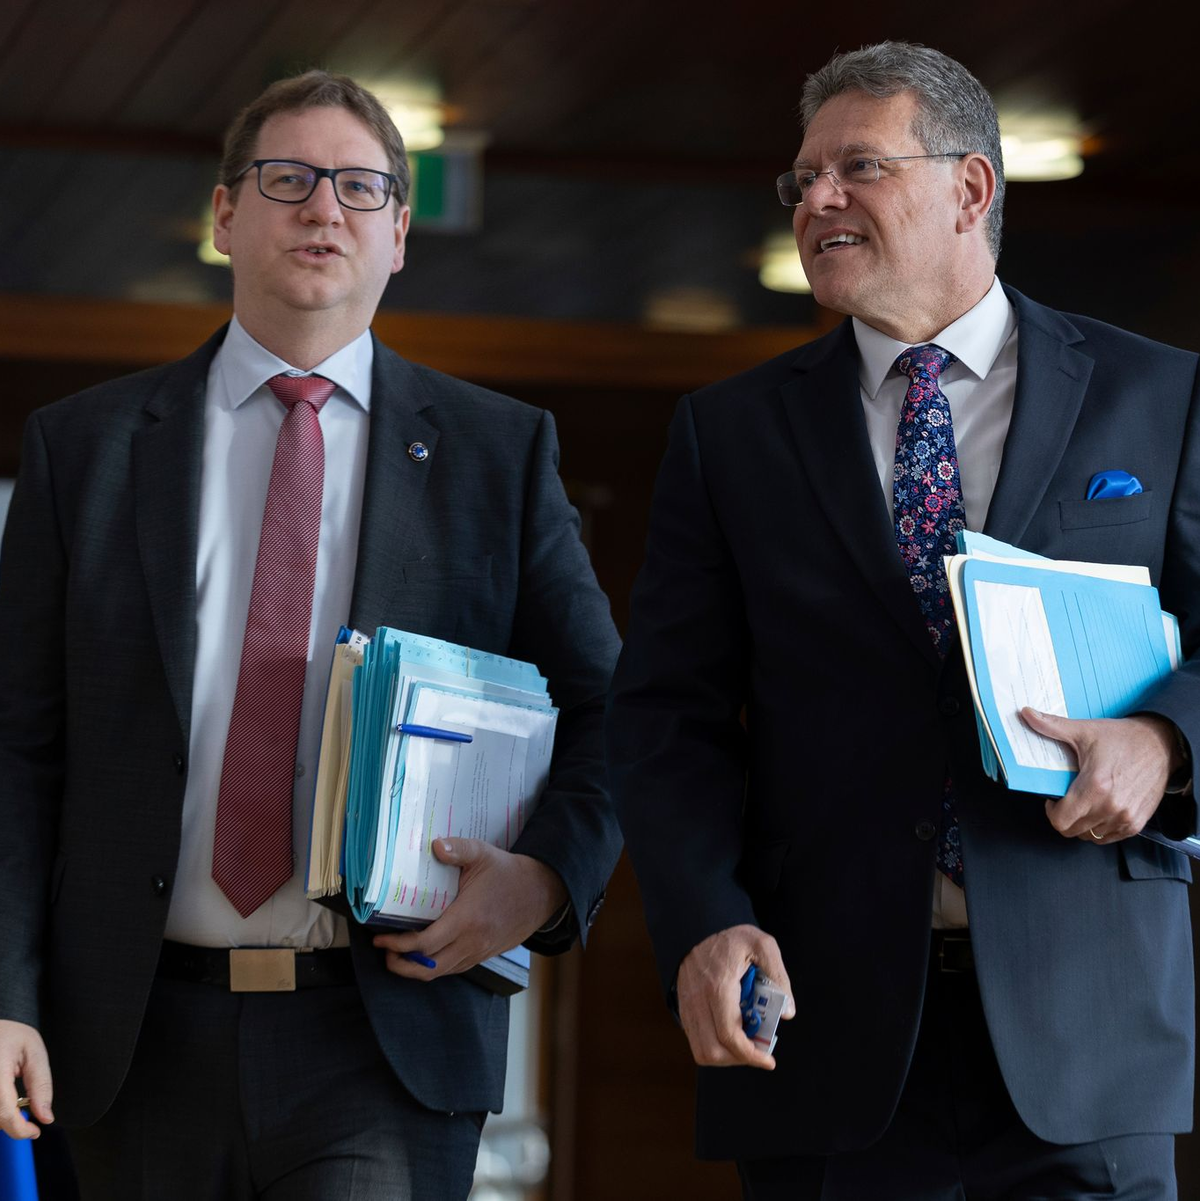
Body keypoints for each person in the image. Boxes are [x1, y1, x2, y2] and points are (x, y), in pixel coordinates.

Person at [0, 70, 620, 1200]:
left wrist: (546, 880)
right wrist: (4, 988)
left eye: (359, 188)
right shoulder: (81, 451)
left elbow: (615, 708)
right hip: (128, 1037)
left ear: (398, 237)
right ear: (224, 216)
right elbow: (16, 745)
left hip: (383, 1035)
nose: (322, 209)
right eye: (287, 180)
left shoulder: (499, 452)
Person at [607, 41, 1199, 1200]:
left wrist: (1167, 740)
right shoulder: (729, 435)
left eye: (857, 168)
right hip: (820, 1029)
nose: (816, 199)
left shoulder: (1163, 396)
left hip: (1090, 1021)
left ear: (971, 188)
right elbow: (666, 715)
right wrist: (700, 923)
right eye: (802, 180)